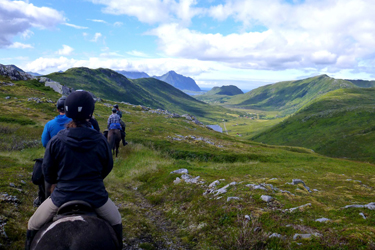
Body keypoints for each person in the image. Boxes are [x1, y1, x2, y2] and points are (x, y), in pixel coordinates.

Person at [25, 90, 122, 250]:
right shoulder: (101, 141)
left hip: (61, 196)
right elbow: (107, 167)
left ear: (68, 111)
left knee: (32, 224)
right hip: (96, 197)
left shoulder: (56, 141)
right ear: (91, 113)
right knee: (116, 221)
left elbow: (48, 172)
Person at [33, 96, 72, 207]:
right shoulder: (77, 123)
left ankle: (42, 198)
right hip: (74, 160)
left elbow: (45, 143)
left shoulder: (49, 124)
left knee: (43, 172)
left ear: (57, 109)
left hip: (54, 158)